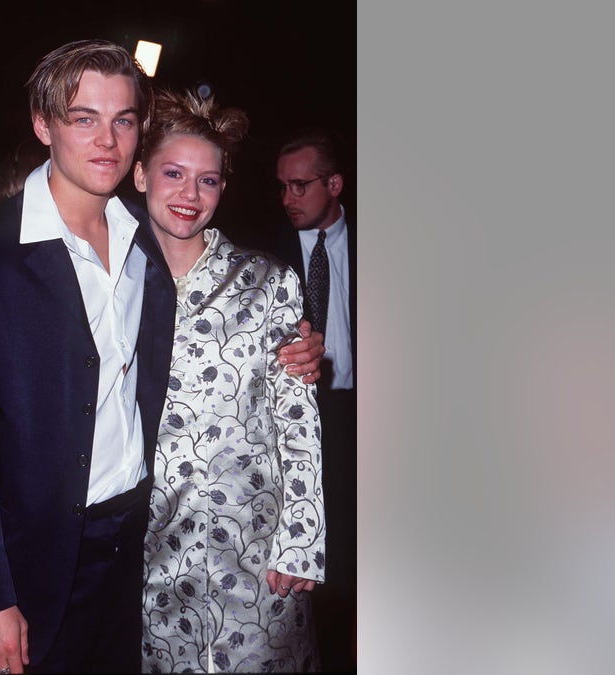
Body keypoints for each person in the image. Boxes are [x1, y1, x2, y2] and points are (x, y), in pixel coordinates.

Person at [0, 40, 325, 674]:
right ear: (42, 123)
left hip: (140, 550)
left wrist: (303, 352)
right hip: (40, 565)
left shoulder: (145, 252)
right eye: (83, 118)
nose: (107, 139)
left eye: (123, 120)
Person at [135, 89, 325, 673]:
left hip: (258, 549)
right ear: (140, 174)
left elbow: (297, 422)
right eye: (174, 173)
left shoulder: (267, 281)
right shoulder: (109, 281)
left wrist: (301, 539)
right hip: (149, 555)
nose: (190, 195)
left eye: (209, 180)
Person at [272, 128, 357, 670]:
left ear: (334, 183)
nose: (287, 198)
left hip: (363, 420)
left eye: (300, 186)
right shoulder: (262, 251)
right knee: (315, 572)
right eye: (281, 187)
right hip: (300, 429)